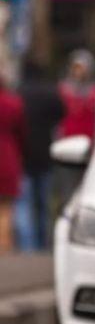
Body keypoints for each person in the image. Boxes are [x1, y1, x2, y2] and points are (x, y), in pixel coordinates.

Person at [15, 60, 64, 251]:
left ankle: (28, 247)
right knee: (44, 204)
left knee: (25, 205)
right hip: (45, 155)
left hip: (24, 156)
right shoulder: (50, 93)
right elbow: (62, 112)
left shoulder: (19, 93)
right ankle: (43, 244)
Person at [57, 49, 95, 143]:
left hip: (89, 143)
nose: (79, 72)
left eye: (82, 68)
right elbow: (57, 121)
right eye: (76, 67)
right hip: (65, 143)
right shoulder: (63, 91)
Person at [0, 78, 25, 253]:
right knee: (7, 206)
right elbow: (22, 132)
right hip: (8, 156)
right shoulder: (14, 104)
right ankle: (4, 245)